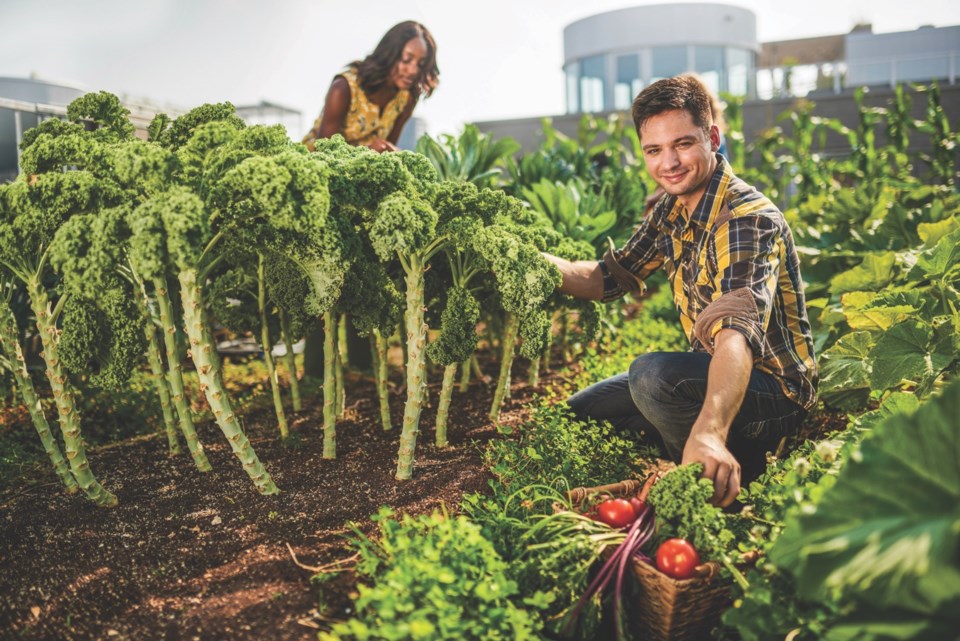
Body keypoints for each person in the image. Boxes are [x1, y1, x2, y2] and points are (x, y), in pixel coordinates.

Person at [544, 75, 817, 508]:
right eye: (654, 150)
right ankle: (697, 445)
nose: (668, 162)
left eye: (683, 144)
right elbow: (610, 277)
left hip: (773, 394)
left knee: (651, 377)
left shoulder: (746, 218)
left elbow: (735, 334)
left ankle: (724, 476)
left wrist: (709, 429)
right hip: (715, 371)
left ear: (712, 137)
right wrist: (533, 262)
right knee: (579, 413)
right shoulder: (673, 208)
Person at [302, 20, 439, 153]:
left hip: (360, 173)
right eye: (406, 60)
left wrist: (391, 151)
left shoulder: (407, 98)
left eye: (420, 64)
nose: (413, 70)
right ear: (389, 54)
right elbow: (323, 152)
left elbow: (386, 153)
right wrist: (366, 152)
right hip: (313, 167)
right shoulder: (344, 87)